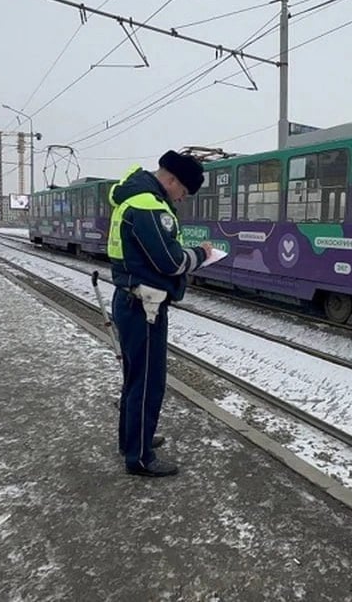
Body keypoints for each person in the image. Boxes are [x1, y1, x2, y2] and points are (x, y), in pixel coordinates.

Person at [107, 150, 213, 478]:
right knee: (149, 382)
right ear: (171, 180)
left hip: (131, 300)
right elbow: (170, 262)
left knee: (134, 377)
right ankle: (140, 458)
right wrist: (202, 254)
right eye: (183, 192)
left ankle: (132, 440)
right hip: (145, 307)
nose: (181, 200)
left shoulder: (133, 197)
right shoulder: (149, 206)